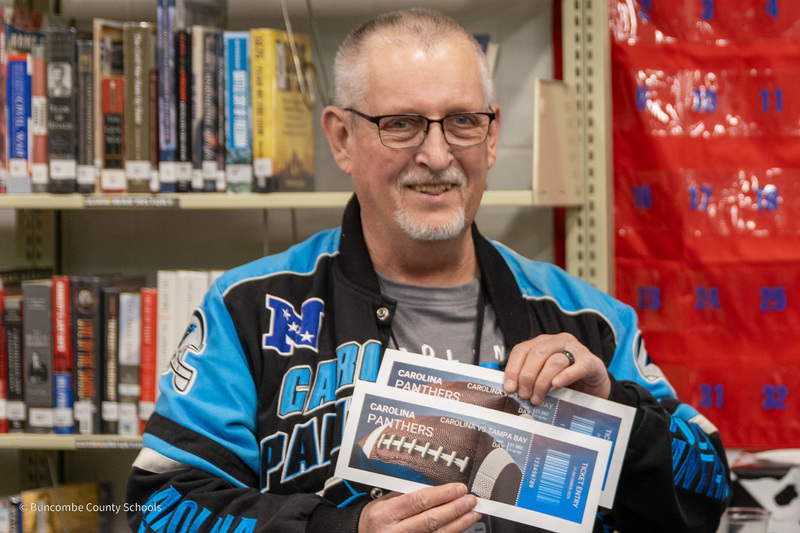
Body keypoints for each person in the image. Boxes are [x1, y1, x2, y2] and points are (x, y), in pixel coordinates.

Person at [127, 8, 730, 533]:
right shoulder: (249, 309)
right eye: (401, 123)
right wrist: (342, 529)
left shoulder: (587, 320)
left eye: (463, 121)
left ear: (491, 137)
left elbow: (706, 492)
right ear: (341, 139)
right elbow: (158, 503)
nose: (437, 155)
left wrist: (614, 412)